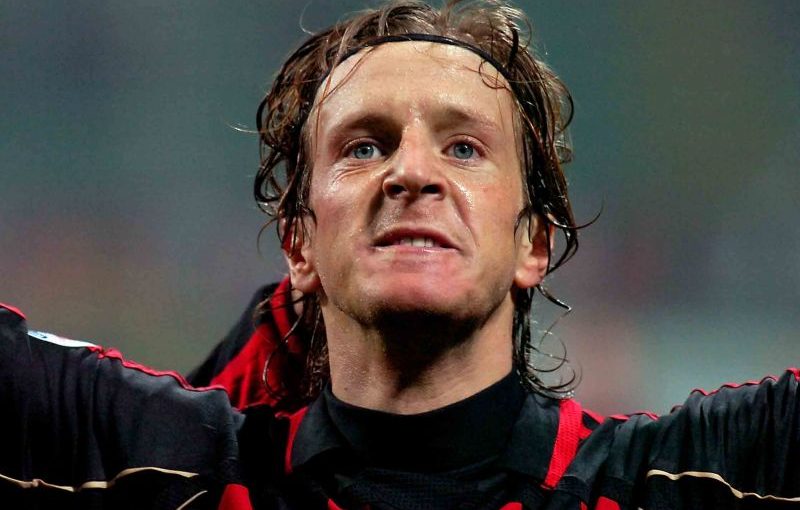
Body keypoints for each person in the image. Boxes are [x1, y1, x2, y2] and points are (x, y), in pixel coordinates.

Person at [1, 1, 798, 509]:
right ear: (299, 243)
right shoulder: (169, 468)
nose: (412, 173)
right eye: (364, 146)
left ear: (534, 242)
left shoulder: (680, 479)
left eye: (463, 147)